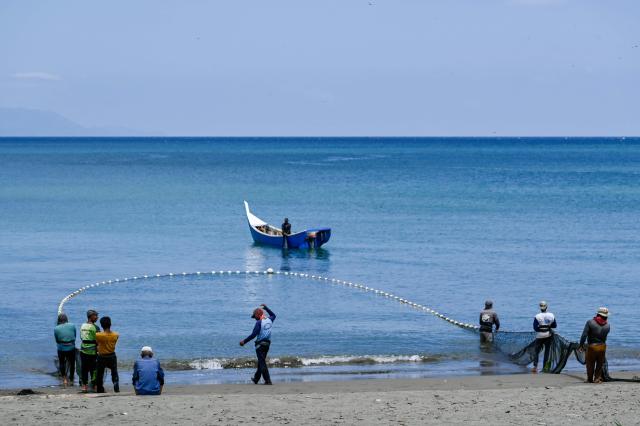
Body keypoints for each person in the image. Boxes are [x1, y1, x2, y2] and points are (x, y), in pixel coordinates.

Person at [240, 304, 276, 385]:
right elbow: (273, 315)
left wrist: (244, 341)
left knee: (262, 363)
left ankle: (268, 381)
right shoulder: (270, 320)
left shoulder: (259, 323)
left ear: (258, 315)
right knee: (261, 361)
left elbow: (253, 335)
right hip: (267, 344)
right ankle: (256, 379)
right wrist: (266, 308)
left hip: (260, 345)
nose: (255, 319)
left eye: (255, 317)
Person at [579, 307, 610, 383]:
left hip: (592, 346)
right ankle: (597, 378)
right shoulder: (608, 325)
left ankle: (590, 379)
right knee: (599, 364)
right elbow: (604, 338)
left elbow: (584, 335)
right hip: (602, 347)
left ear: (598, 314)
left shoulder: (590, 322)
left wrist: (581, 345)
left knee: (590, 363)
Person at [95, 316, 119, 393]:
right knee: (114, 372)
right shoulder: (116, 335)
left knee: (100, 374)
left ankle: (99, 389)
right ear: (110, 324)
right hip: (112, 355)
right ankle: (116, 386)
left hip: (102, 356)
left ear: (101, 325)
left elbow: (96, 343)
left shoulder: (98, 335)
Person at [532, 301, 557, 373]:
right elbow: (555, 325)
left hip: (540, 336)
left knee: (536, 351)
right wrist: (548, 326)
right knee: (547, 352)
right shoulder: (551, 315)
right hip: (548, 335)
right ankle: (545, 367)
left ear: (540, 308)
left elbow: (535, 328)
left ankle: (535, 367)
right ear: (546, 307)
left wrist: (540, 327)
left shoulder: (537, 316)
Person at [80, 309, 100, 391]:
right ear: (91, 316)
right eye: (95, 316)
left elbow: (81, 337)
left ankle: (84, 386)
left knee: (84, 369)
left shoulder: (82, 325)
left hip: (83, 350)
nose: (97, 317)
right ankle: (95, 386)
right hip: (92, 351)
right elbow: (98, 340)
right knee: (94, 369)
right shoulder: (96, 327)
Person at [53, 313, 76, 386]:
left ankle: (64, 379)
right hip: (71, 347)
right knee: (72, 363)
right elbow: (74, 336)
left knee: (61, 362)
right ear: (66, 320)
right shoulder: (72, 325)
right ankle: (72, 378)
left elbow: (57, 340)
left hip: (61, 348)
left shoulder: (56, 328)